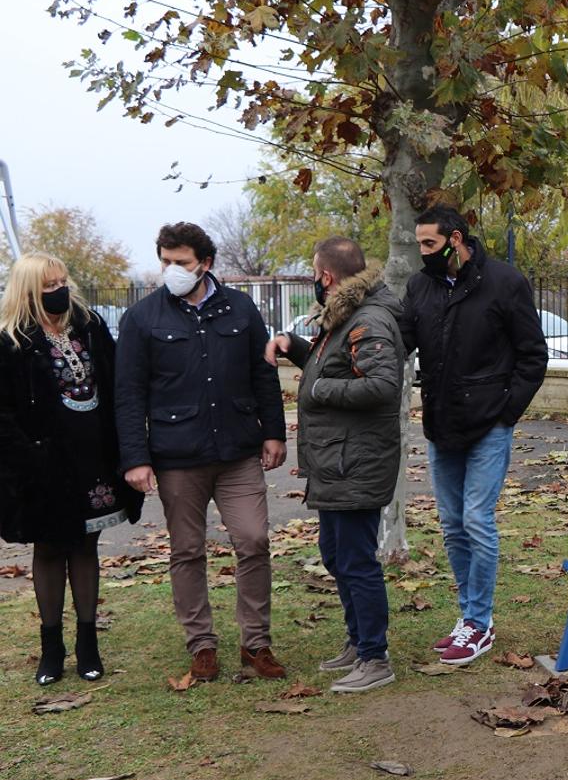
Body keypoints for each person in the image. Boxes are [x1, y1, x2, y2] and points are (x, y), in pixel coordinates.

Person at [115, 222, 287, 682]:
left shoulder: (241, 308)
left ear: (205, 263)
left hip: (237, 452)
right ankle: (202, 646)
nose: (172, 270)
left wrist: (274, 432)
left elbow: (263, 374)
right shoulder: (143, 317)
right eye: (166, 262)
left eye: (182, 263)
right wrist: (135, 457)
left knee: (253, 540)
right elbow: (128, 393)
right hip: (176, 456)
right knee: (187, 550)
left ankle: (256, 644)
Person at [401, 206, 548, 665]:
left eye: (429, 244)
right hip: (442, 425)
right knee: (451, 524)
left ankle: (479, 624)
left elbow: (533, 355)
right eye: (419, 244)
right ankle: (468, 618)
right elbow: (399, 341)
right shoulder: (419, 287)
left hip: (489, 425)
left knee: (476, 520)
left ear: (455, 239)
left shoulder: (504, 282)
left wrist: (506, 414)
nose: (422, 253)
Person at [265, 238, 404, 693]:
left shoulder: (369, 319)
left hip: (356, 461)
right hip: (338, 460)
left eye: (313, 271)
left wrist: (320, 389)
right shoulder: (345, 317)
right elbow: (340, 366)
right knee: (335, 555)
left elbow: (382, 385)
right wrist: (297, 348)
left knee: (355, 560)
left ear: (326, 276)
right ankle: (358, 639)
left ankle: (374, 657)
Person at [0, 253, 144, 685]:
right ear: (28, 290)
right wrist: (30, 457)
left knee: (84, 545)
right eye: (49, 285)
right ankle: (52, 648)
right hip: (40, 464)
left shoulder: (90, 325)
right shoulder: (11, 341)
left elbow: (118, 382)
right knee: (48, 548)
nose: (60, 289)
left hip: (93, 457)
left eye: (62, 280)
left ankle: (87, 644)